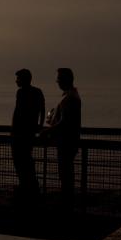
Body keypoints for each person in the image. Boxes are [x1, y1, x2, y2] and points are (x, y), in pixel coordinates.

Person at [42, 67, 81, 205]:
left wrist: (49, 130)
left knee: (65, 172)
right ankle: (67, 198)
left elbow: (65, 122)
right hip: (67, 141)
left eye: (59, 78)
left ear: (65, 80)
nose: (57, 81)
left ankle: (67, 200)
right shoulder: (70, 96)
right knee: (65, 171)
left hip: (66, 142)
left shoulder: (70, 98)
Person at [11, 69, 45, 197]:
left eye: (18, 78)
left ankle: (28, 185)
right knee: (22, 159)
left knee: (23, 159)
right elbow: (41, 110)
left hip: (24, 132)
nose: (16, 81)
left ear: (24, 79)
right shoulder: (23, 92)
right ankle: (26, 184)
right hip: (21, 131)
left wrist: (40, 126)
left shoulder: (31, 92)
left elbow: (41, 110)